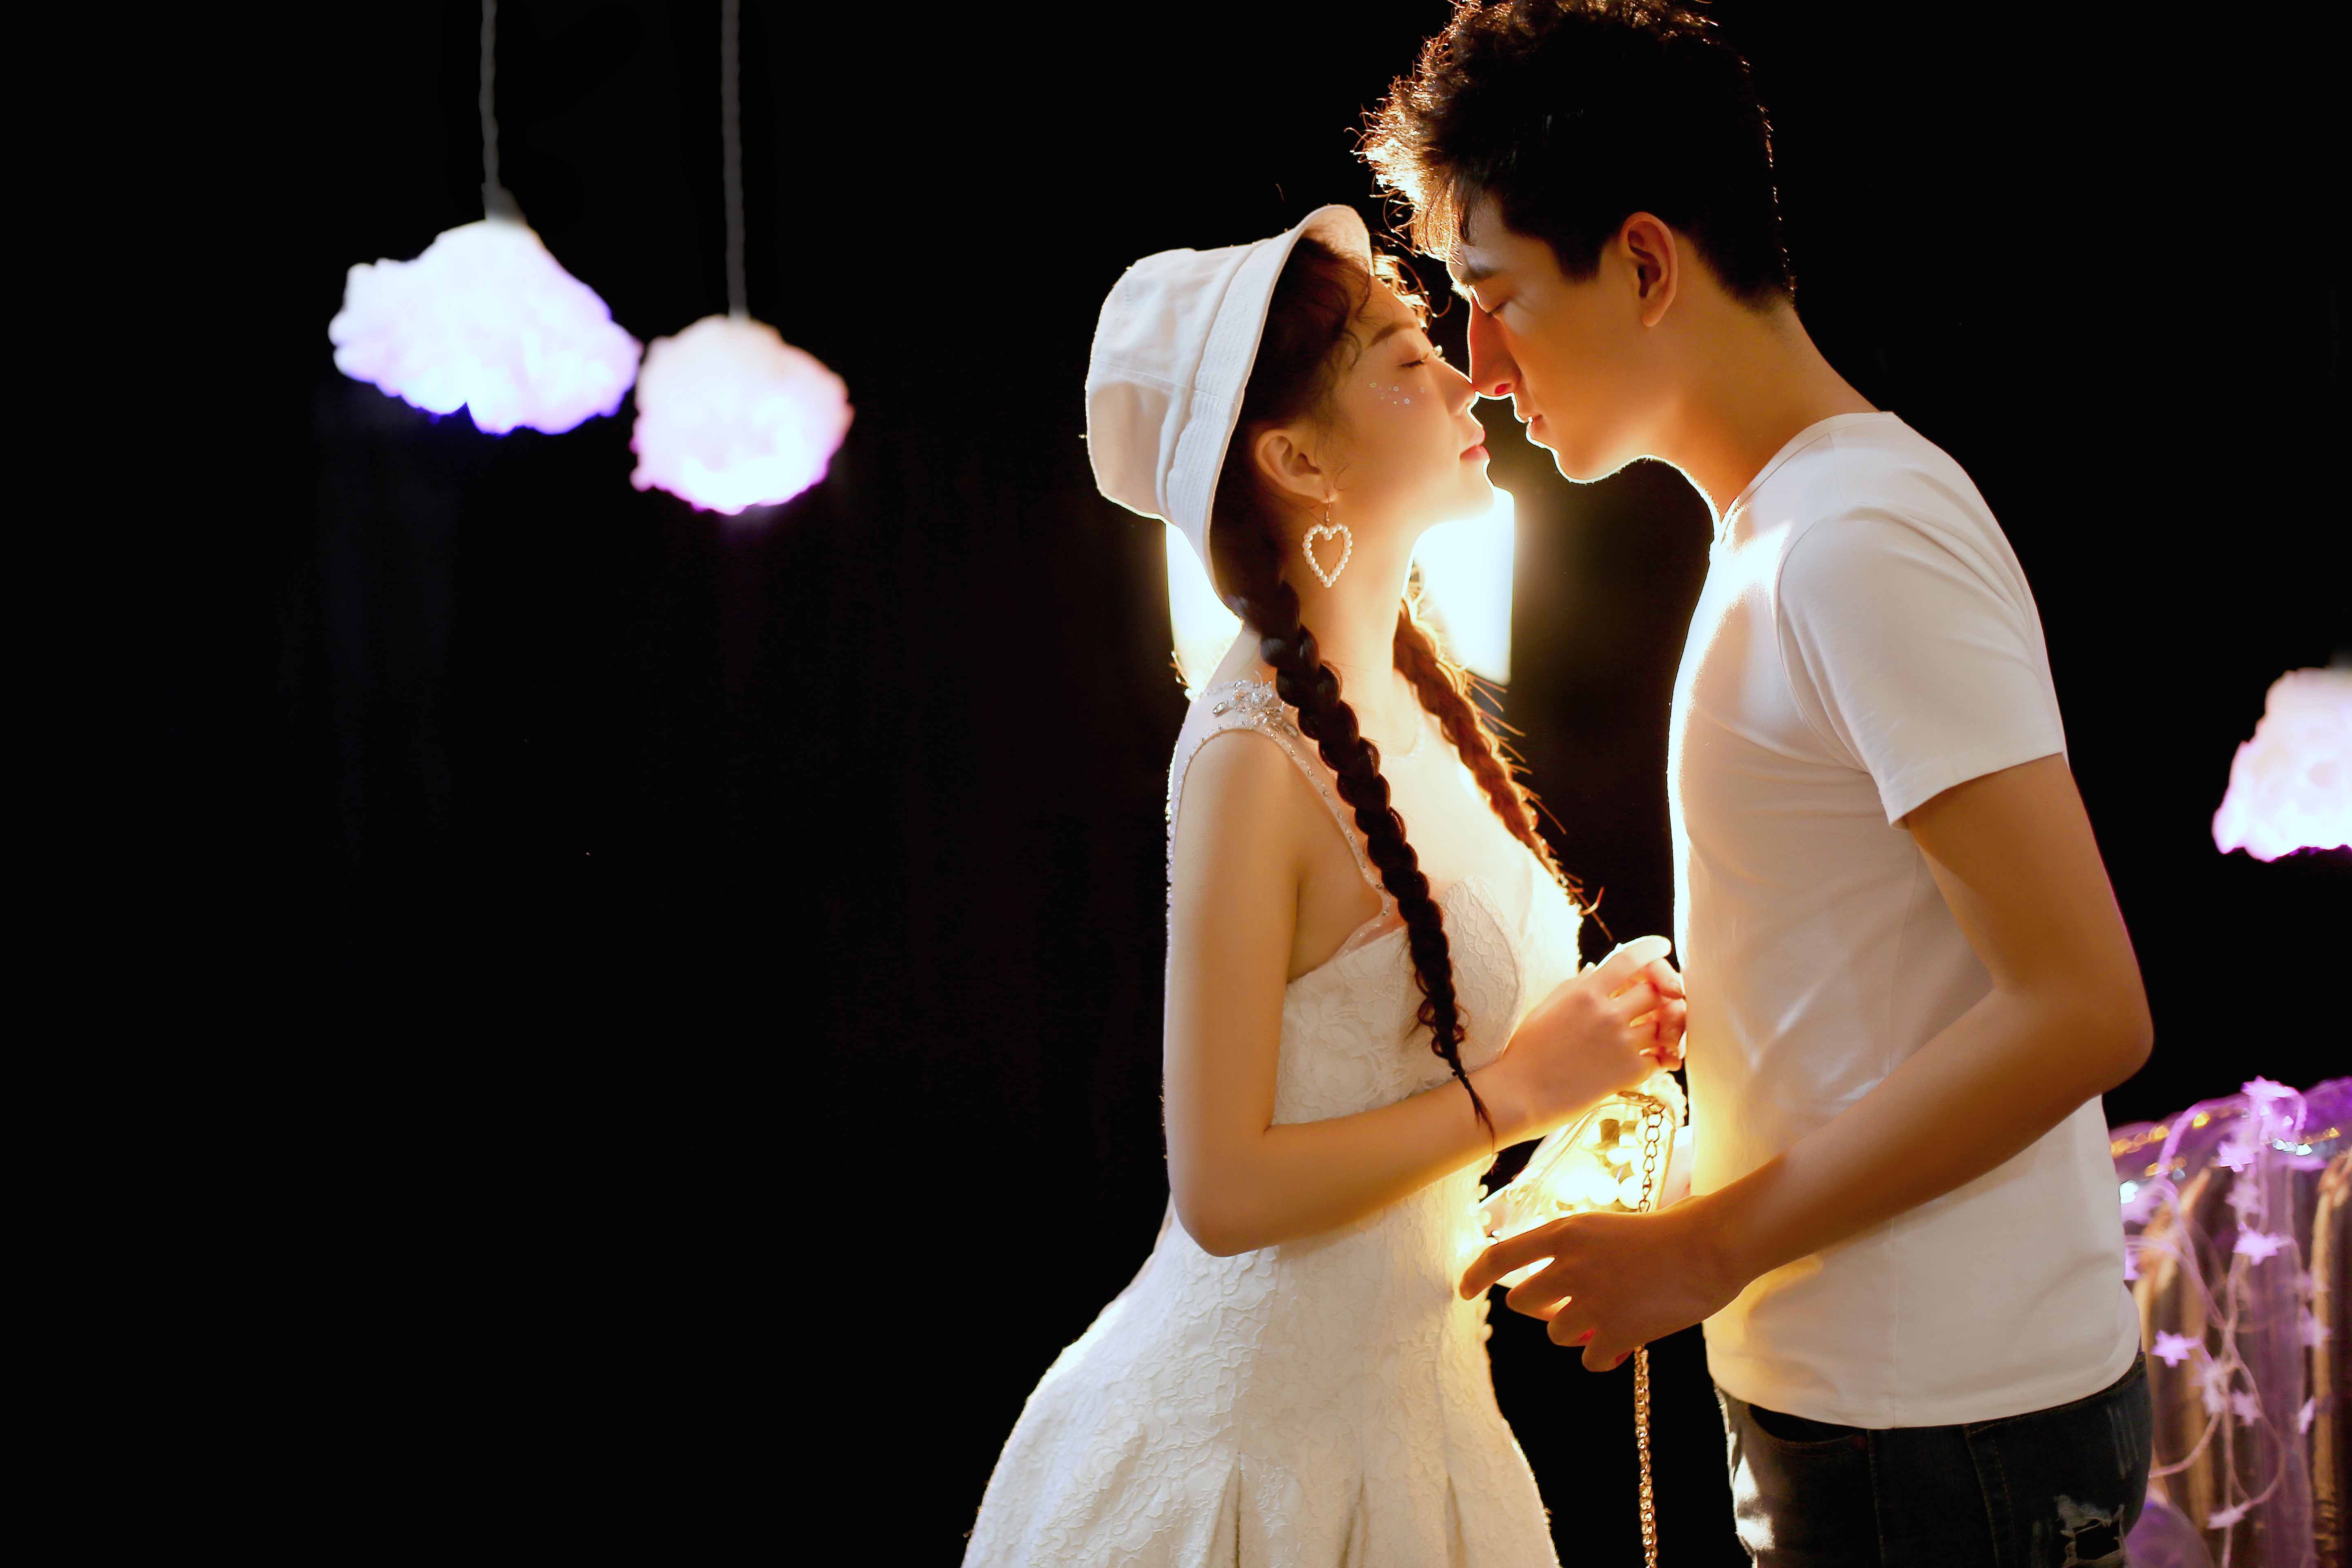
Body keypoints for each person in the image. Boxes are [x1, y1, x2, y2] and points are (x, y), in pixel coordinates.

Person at [1365, 4, 2156, 1563]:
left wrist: (1704, 1246)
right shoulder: (1793, 526)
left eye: (1497, 297)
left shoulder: (1857, 538)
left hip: (1940, 1431)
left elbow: (2084, 1007)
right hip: (1890, 1408)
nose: (1484, 367)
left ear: (1645, 265)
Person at [961, 204, 1690, 1565]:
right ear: (1296, 458)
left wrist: (1601, 1034)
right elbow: (1224, 1188)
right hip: (1255, 1460)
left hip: (1419, 1418)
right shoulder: (1252, 755)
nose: (1469, 381)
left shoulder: (1411, 686)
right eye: (1409, 361)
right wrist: (1525, 1090)